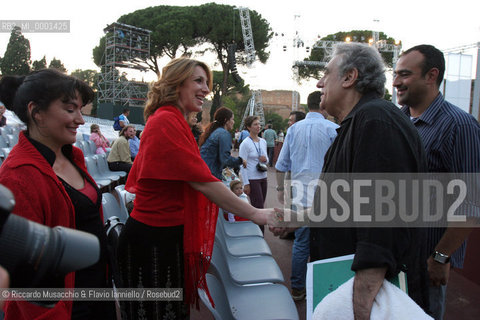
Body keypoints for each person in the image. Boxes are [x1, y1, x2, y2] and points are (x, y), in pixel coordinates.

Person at [116, 57, 274, 319]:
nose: (206, 89)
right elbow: (202, 180)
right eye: (198, 81)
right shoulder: (166, 120)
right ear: (176, 83)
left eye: (207, 82)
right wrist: (255, 213)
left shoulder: (172, 120)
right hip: (152, 242)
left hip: (164, 237)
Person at [304, 43, 429, 318]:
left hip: (369, 298)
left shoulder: (375, 120)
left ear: (350, 78)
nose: (319, 82)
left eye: (326, 73)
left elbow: (383, 220)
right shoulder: (362, 121)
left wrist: (360, 304)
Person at [0, 69, 115, 320]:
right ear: (37, 112)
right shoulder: (18, 175)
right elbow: (27, 283)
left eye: (80, 110)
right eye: (70, 110)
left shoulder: (73, 156)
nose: (81, 120)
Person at [394, 44, 480, 320]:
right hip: (393, 256)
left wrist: (441, 257)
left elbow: (470, 205)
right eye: (396, 74)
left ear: (431, 76)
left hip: (425, 264)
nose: (396, 82)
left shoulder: (459, 126)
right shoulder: (399, 121)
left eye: (405, 74)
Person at [275, 90, 338, 301]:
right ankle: (323, 292)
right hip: (328, 197)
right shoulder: (334, 129)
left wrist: (280, 190)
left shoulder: (293, 130)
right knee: (326, 245)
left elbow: (282, 165)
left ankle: (297, 288)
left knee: (301, 243)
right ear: (323, 106)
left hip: (300, 195)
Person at [239, 115, 269, 232]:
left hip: (263, 176)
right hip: (252, 178)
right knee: (258, 208)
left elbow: (267, 159)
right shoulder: (245, 143)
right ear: (248, 127)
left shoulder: (263, 141)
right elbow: (242, 164)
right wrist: (246, 183)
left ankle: (256, 232)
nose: (258, 126)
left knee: (261, 206)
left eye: (259, 124)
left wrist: (265, 159)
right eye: (255, 124)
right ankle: (259, 234)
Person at [199, 107, 245, 180]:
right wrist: (240, 161)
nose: (234, 122)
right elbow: (225, 160)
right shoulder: (223, 134)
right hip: (211, 175)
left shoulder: (214, 131)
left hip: (204, 171)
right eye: (232, 119)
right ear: (226, 120)